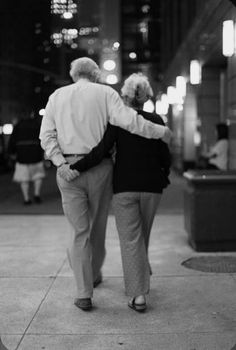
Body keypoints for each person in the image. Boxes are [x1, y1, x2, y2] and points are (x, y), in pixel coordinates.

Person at [39, 57, 172, 311]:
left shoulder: (57, 96)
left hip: (68, 170)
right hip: (99, 170)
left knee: (78, 231)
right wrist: (160, 132)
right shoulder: (105, 93)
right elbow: (130, 121)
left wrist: (60, 163)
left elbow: (46, 135)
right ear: (96, 74)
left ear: (73, 74)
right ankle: (95, 272)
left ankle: (83, 292)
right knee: (97, 227)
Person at [8, 111, 45, 205]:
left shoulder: (18, 126)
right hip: (36, 154)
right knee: (38, 176)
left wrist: (11, 153)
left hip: (22, 156)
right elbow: (43, 138)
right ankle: (37, 194)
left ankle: (26, 198)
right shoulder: (37, 125)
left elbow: (12, 140)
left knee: (24, 178)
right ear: (32, 115)